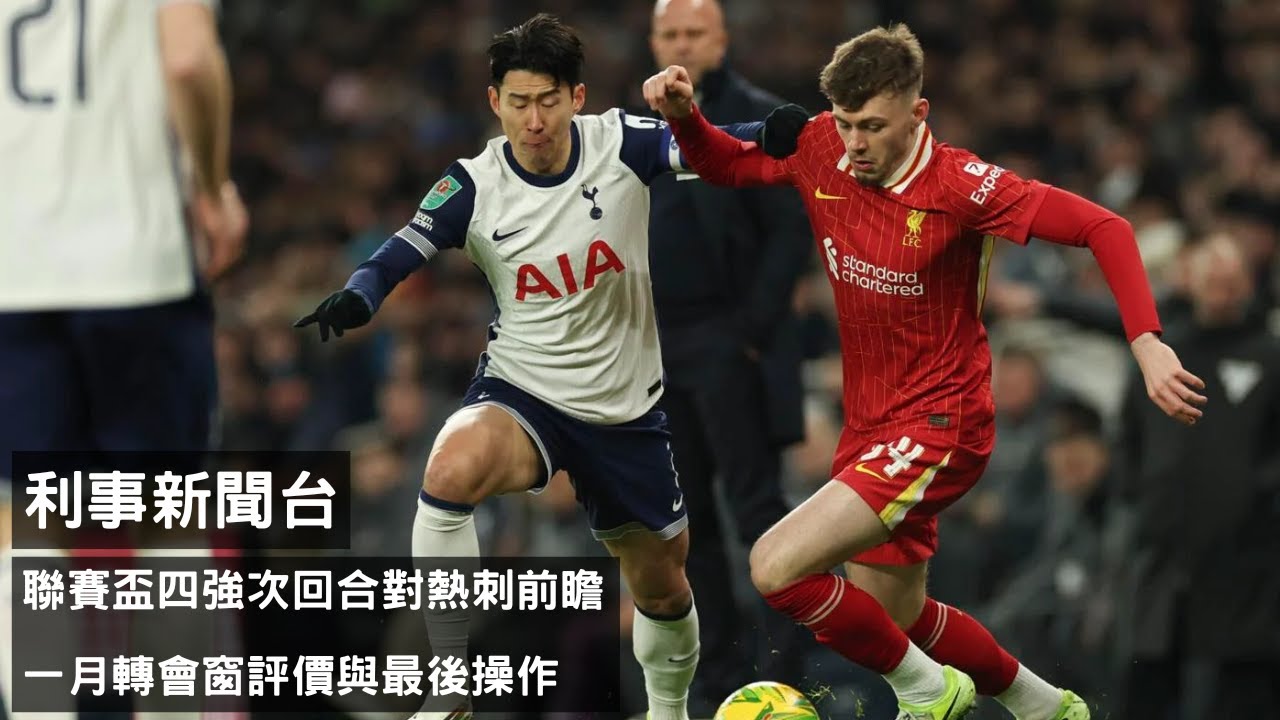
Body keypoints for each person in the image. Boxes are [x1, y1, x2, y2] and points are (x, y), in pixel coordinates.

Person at [643, 22, 1207, 720]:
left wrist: (1147, 342)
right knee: (894, 618)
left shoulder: (961, 185)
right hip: (870, 426)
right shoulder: (820, 148)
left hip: (943, 421)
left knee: (774, 566)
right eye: (845, 123)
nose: (855, 143)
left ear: (918, 113)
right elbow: (724, 163)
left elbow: (1106, 228)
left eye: (873, 126)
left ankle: (928, 690)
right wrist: (685, 118)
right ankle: (1046, 707)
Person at [294, 14, 766, 720]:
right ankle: (450, 681)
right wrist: (361, 293)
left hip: (624, 411)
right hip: (525, 390)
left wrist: (785, 136)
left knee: (664, 588)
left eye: (548, 100)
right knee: (448, 470)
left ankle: (668, 712)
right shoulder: (474, 184)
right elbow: (401, 248)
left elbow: (721, 151)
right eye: (519, 102)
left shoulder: (622, 142)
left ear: (577, 98)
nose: (534, 120)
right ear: (495, 103)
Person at [0, 1, 245, 717]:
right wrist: (212, 188)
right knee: (169, 520)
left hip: (14, 268)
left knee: (27, 525)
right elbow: (188, 58)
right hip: (139, 260)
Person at [644, 0, 814, 709]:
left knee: (758, 511)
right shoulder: (639, 125)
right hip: (659, 348)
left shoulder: (760, 117)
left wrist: (750, 330)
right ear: (654, 42)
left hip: (729, 340)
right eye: (670, 34)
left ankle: (787, 675)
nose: (681, 44)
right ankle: (715, 680)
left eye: (694, 33)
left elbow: (791, 230)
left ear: (721, 40)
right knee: (687, 529)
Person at [1114, 235, 1280, 719]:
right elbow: (1129, 433)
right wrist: (1138, 494)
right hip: (1162, 555)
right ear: (1192, 282)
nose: (1221, 291)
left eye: (1230, 281)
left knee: (1237, 693)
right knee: (1145, 682)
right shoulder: (1164, 354)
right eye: (1212, 280)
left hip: (1247, 564)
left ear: (1248, 284)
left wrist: (1258, 500)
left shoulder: (1270, 357)